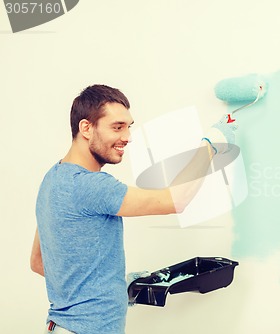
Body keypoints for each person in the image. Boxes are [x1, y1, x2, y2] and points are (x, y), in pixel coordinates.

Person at [30, 84, 236, 334]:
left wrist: (113, 289)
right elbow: (175, 201)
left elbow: (39, 262)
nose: (127, 136)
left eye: (129, 126)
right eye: (117, 127)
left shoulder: (52, 179)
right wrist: (210, 146)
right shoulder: (92, 186)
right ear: (86, 128)